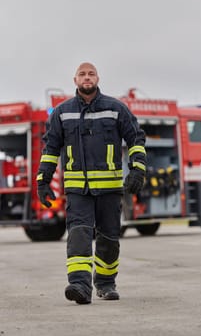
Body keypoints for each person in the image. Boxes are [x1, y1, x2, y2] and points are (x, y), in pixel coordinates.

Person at [36, 62, 146, 304]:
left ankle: (106, 284)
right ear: (75, 80)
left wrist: (137, 170)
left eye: (91, 74)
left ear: (98, 78)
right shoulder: (62, 112)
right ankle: (79, 285)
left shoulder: (116, 108)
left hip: (109, 189)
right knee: (78, 234)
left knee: (109, 239)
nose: (87, 78)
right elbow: (51, 149)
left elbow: (136, 138)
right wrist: (43, 181)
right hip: (78, 190)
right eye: (82, 74)